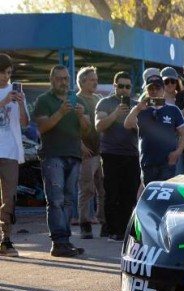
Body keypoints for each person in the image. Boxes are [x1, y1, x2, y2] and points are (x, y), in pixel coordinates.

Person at [32, 65, 90, 257]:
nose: (63, 82)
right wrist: (61, 112)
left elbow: (87, 130)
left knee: (67, 201)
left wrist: (81, 117)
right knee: (55, 200)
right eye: (59, 79)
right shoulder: (43, 100)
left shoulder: (77, 100)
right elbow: (41, 127)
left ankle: (65, 241)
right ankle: (58, 242)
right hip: (52, 155)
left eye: (66, 78)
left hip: (73, 155)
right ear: (51, 80)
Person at [95, 71, 140, 242]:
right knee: (111, 193)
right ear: (114, 86)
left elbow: (144, 129)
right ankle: (112, 229)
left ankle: (124, 229)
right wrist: (115, 114)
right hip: (111, 153)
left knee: (129, 194)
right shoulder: (105, 103)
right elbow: (98, 126)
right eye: (120, 86)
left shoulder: (136, 105)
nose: (124, 90)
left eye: (127, 87)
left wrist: (132, 117)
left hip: (132, 154)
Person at [124, 75, 184, 186]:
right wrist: (137, 109)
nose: (154, 91)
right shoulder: (141, 109)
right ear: (147, 91)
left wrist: (177, 152)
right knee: (150, 194)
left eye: (157, 88)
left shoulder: (173, 109)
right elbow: (127, 125)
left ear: (163, 90)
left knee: (165, 194)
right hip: (148, 161)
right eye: (151, 89)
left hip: (167, 161)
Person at [0, 53, 28, 257]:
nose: (5, 77)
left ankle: (6, 238)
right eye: (1, 72)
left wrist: (19, 104)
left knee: (9, 197)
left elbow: (25, 123)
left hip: (10, 151)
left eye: (8, 73)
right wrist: (3, 102)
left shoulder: (16, 91)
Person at [75, 66, 105, 239]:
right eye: (91, 80)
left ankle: (103, 222)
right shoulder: (75, 100)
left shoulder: (98, 99)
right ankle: (84, 224)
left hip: (101, 151)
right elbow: (71, 127)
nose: (95, 82)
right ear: (82, 82)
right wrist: (80, 145)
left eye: (96, 79)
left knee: (103, 190)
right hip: (86, 153)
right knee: (86, 190)